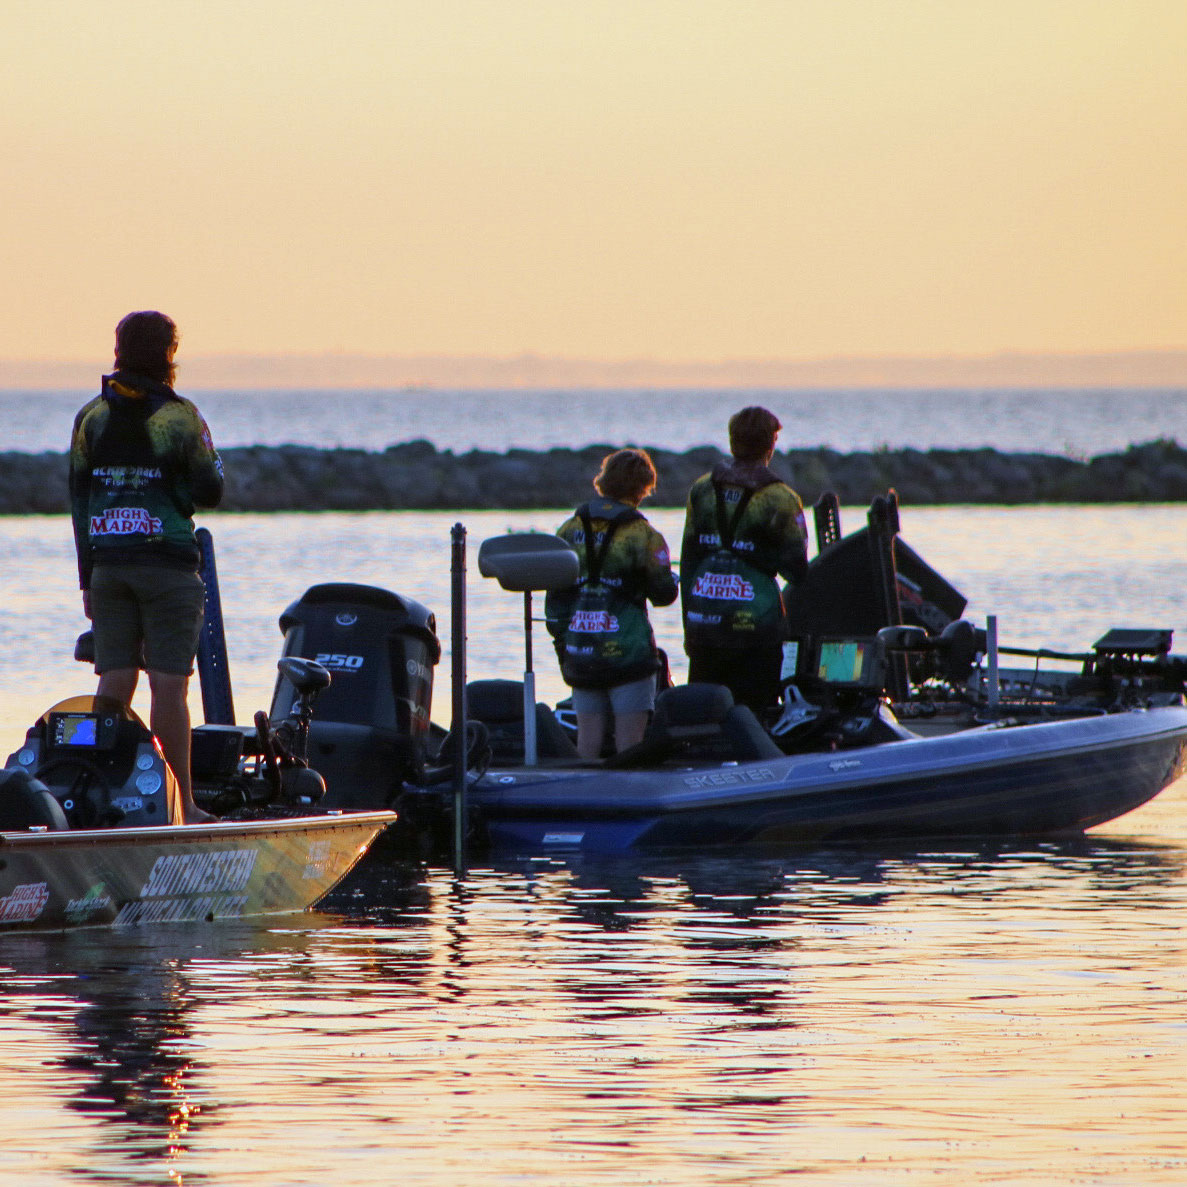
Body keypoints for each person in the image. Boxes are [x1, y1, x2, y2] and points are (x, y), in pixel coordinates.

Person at [69, 311, 225, 823]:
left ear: (118, 349)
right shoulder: (180, 417)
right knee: (167, 685)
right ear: (167, 354)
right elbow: (211, 490)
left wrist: (87, 578)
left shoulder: (91, 416)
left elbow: (79, 500)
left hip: (107, 567)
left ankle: (97, 795)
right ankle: (181, 805)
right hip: (167, 567)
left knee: (113, 680)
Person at [546, 448, 678, 759]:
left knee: (588, 742)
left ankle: (585, 801)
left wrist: (564, 645)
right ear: (642, 488)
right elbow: (664, 595)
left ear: (603, 482)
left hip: (581, 650)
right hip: (629, 653)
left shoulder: (568, 530)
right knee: (630, 744)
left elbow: (556, 599)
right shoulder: (644, 535)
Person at [680, 406, 808, 716]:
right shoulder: (781, 498)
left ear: (732, 440)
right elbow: (797, 570)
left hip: (704, 623)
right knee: (755, 716)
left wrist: (689, 627)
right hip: (757, 628)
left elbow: (688, 562)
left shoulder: (702, 489)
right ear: (770, 443)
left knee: (703, 718)